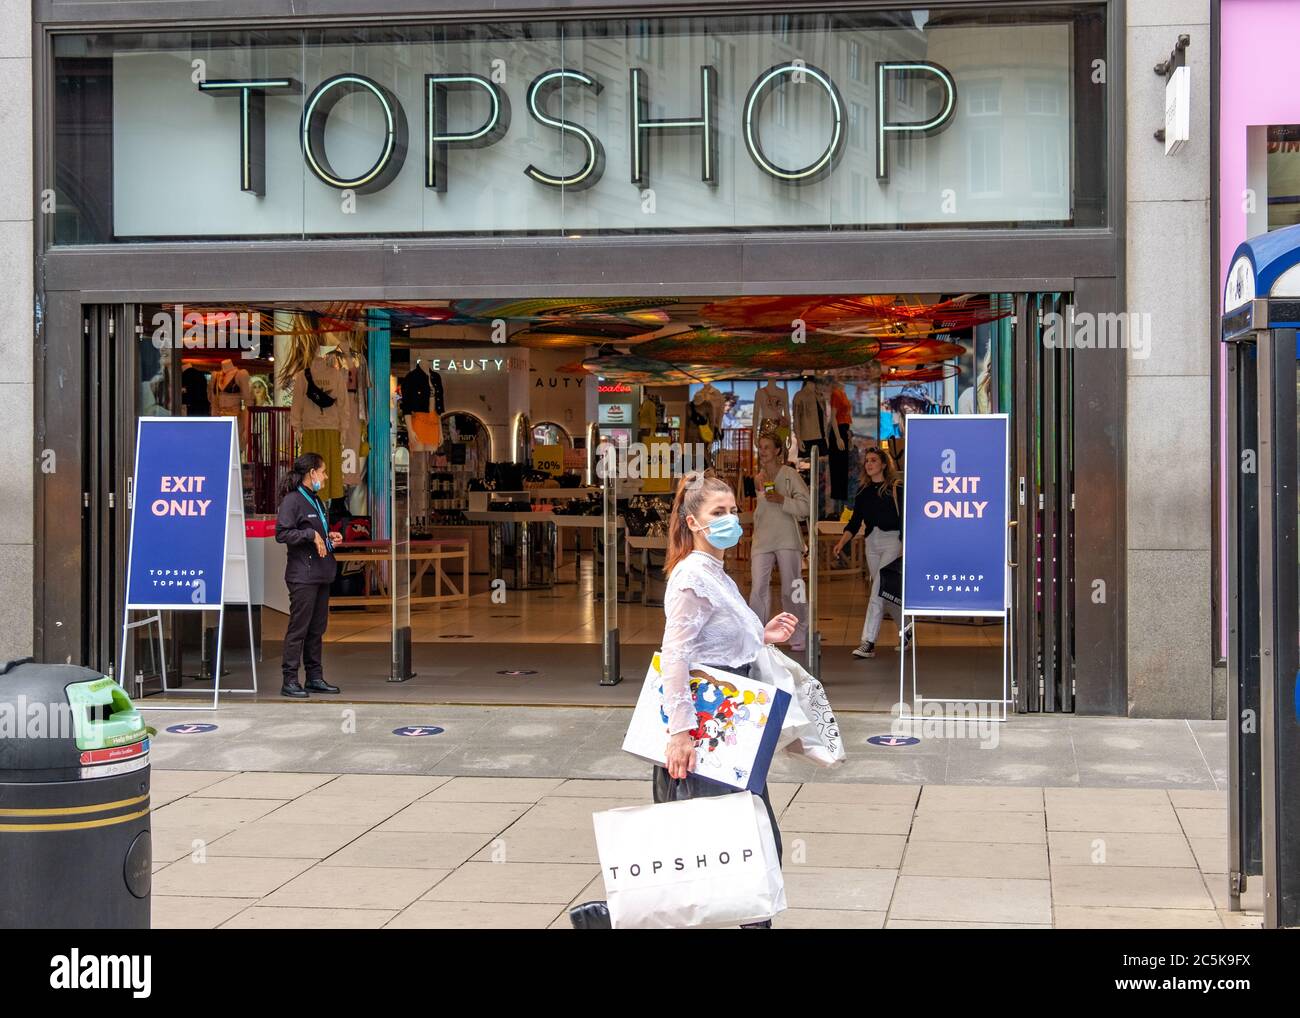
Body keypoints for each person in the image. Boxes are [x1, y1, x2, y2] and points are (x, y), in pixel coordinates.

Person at [570, 471, 798, 930]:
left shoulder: (715, 572)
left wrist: (761, 635)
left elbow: (719, 639)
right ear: (693, 522)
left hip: (728, 725)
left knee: (745, 843)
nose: (730, 519)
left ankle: (614, 918)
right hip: (706, 728)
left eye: (733, 511)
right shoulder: (693, 576)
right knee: (735, 844)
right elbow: (675, 653)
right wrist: (680, 733)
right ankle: (614, 917)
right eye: (719, 513)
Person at [275, 452, 344, 698]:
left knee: (317, 629)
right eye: (323, 472)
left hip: (321, 573)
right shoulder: (292, 501)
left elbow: (317, 533)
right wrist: (310, 536)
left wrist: (328, 538)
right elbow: (283, 534)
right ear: (311, 473)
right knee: (299, 628)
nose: (325, 477)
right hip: (302, 575)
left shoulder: (317, 501)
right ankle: (290, 679)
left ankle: (314, 677)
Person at [832, 446, 905, 660]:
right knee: (887, 593)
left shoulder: (895, 488)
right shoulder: (863, 491)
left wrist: (906, 543)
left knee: (876, 592)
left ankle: (868, 642)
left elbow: (904, 518)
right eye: (867, 461)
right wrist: (842, 541)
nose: (869, 464)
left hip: (893, 541)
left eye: (873, 460)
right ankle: (907, 632)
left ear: (883, 464)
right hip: (871, 542)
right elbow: (856, 522)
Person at [748, 433, 810, 653]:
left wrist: (783, 500)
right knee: (758, 588)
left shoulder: (789, 475)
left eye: (767, 447)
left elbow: (806, 506)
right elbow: (760, 510)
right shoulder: (758, 477)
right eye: (760, 447)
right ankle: (758, 634)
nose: (762, 451)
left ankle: (800, 631)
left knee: (793, 586)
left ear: (777, 451)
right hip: (762, 538)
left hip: (787, 537)